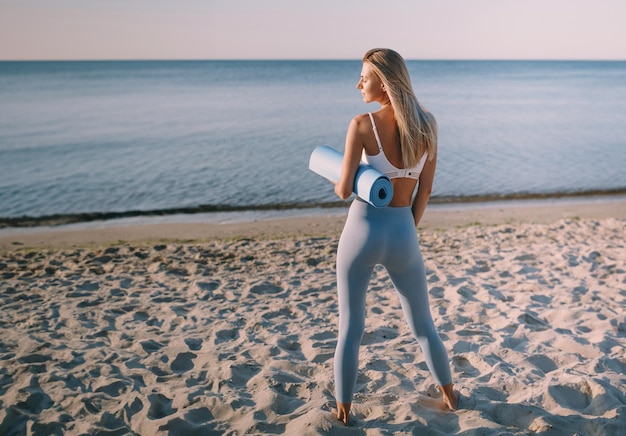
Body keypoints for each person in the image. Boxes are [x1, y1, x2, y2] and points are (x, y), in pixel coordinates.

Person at [332, 48, 458, 426]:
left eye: (364, 78)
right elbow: (426, 190)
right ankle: (451, 396)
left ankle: (343, 412)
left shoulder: (361, 125)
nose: (358, 84)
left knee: (351, 327)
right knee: (423, 325)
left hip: (363, 230)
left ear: (383, 84)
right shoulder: (429, 125)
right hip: (404, 230)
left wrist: (346, 174)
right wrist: (407, 230)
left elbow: (342, 190)